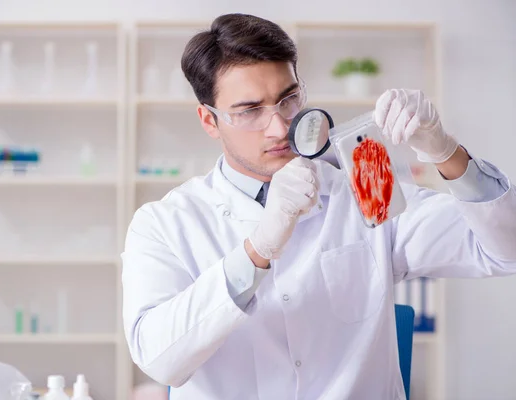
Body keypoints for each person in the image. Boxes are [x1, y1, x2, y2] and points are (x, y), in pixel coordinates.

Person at [121, 13, 516, 400]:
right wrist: (256, 251)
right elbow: (160, 360)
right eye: (249, 111)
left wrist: (447, 153)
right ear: (209, 120)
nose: (278, 128)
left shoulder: (362, 188)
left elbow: (503, 252)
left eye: (288, 100)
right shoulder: (164, 223)